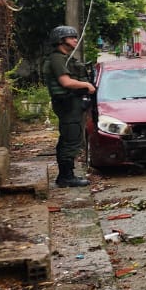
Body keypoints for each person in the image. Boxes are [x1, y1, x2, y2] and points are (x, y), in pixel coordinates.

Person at [42, 25, 95, 188]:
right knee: (71, 139)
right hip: (67, 104)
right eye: (71, 37)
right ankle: (66, 177)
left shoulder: (65, 58)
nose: (75, 40)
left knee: (70, 138)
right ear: (61, 40)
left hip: (72, 103)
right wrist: (86, 85)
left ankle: (66, 175)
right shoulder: (57, 58)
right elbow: (66, 82)